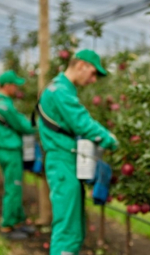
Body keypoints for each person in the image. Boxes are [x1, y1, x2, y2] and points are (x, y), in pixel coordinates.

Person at [38, 49, 118, 255]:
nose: (93, 80)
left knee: (74, 225)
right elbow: (82, 122)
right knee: (67, 228)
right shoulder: (60, 91)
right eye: (93, 73)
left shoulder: (64, 89)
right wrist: (110, 140)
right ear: (81, 65)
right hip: (62, 161)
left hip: (67, 160)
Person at [0, 70, 36, 240]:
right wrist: (36, 126)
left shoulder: (5, 103)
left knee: (15, 185)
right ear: (6, 86)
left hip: (6, 148)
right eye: (14, 85)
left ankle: (18, 221)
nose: (16, 88)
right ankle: (7, 225)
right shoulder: (4, 105)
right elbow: (22, 125)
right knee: (13, 187)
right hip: (9, 149)